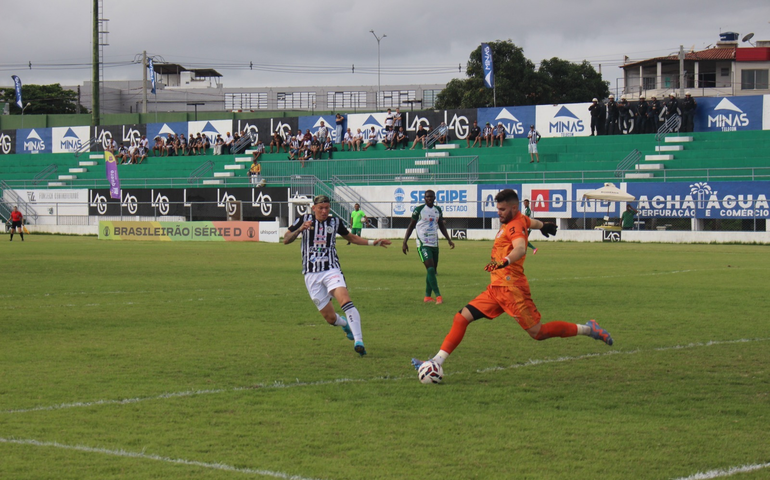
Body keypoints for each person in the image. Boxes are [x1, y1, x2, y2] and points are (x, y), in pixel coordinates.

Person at [410, 189, 613, 376]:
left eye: (502, 209)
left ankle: (589, 329)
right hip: (496, 289)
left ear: (513, 208)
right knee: (461, 318)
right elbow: (529, 221)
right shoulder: (517, 219)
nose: (498, 212)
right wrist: (544, 225)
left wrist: (504, 261)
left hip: (512, 289)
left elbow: (520, 248)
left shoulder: (514, 225)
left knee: (538, 332)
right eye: (497, 209)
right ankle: (436, 362)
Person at [283, 195, 392, 356]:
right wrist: (300, 229)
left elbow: (351, 237)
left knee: (345, 300)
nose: (324, 211)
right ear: (314, 208)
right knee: (330, 318)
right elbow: (286, 239)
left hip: (331, 269)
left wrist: (372, 243)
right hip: (311, 274)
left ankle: (358, 340)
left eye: (327, 208)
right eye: (321, 208)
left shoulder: (334, 222)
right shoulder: (303, 219)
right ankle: (344, 325)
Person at [402, 190, 455, 304]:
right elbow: (411, 226)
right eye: (427, 197)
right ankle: (438, 296)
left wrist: (449, 240)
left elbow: (441, 225)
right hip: (423, 244)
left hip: (434, 244)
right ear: (424, 198)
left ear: (434, 198)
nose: (429, 198)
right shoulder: (419, 210)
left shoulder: (437, 210)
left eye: (431, 197)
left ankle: (427, 296)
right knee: (430, 268)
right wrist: (404, 242)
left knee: (432, 271)